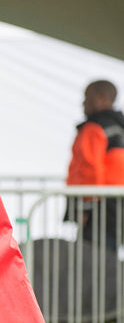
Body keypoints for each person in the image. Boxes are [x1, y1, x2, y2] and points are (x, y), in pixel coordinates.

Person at [66, 80, 124, 250]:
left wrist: (84, 209)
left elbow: (89, 169)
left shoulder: (94, 127)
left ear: (101, 97)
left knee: (91, 261)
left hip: (98, 210)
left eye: (87, 97)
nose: (83, 102)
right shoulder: (119, 126)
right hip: (117, 205)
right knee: (109, 260)